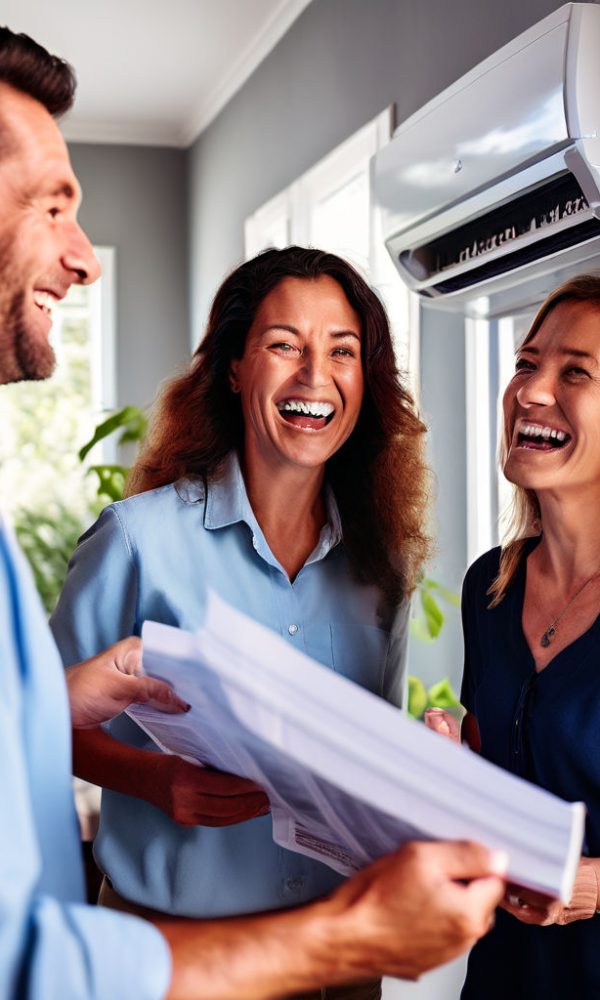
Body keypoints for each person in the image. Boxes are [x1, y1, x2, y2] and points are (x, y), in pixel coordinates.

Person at [0, 24, 507, 1000]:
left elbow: (363, 753)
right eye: (284, 344)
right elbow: (33, 723)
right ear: (234, 368)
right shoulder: (140, 539)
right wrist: (155, 780)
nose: (315, 375)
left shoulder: (380, 568)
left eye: (344, 349)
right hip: (160, 957)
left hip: (339, 958)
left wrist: (429, 765)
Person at [425, 275, 600, 999]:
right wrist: (442, 769)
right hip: (501, 979)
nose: (531, 390)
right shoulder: (488, 588)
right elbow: (495, 782)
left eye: (575, 372)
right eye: (527, 363)